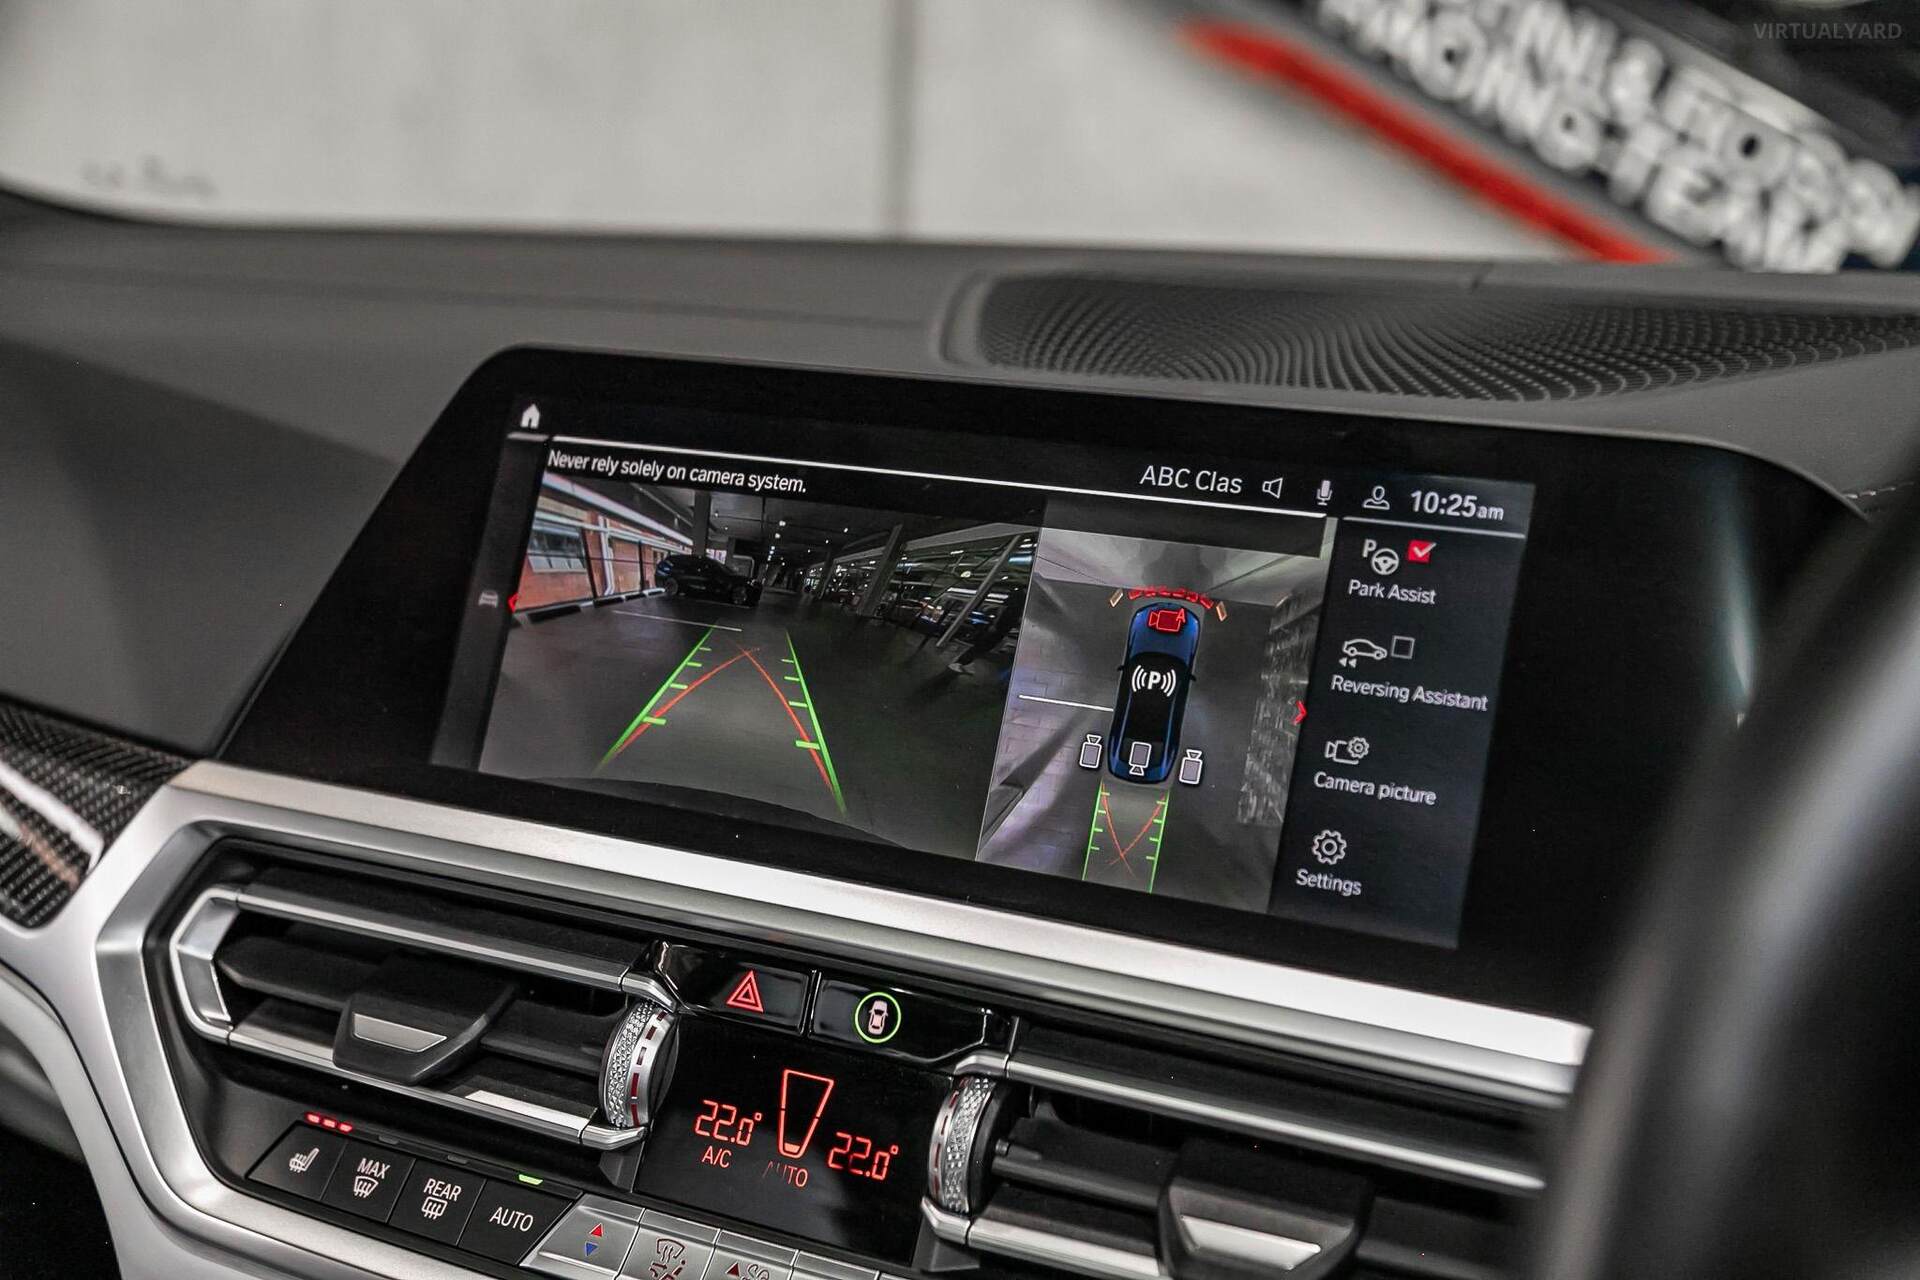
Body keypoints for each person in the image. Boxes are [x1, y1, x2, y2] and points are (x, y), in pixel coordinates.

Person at [948, 585, 1027, 673]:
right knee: (982, 645)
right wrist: (995, 624)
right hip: (1000, 626)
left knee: (986, 647)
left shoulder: (1023, 599)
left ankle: (965, 663)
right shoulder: (1017, 596)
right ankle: (960, 662)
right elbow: (1002, 609)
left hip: (1004, 627)